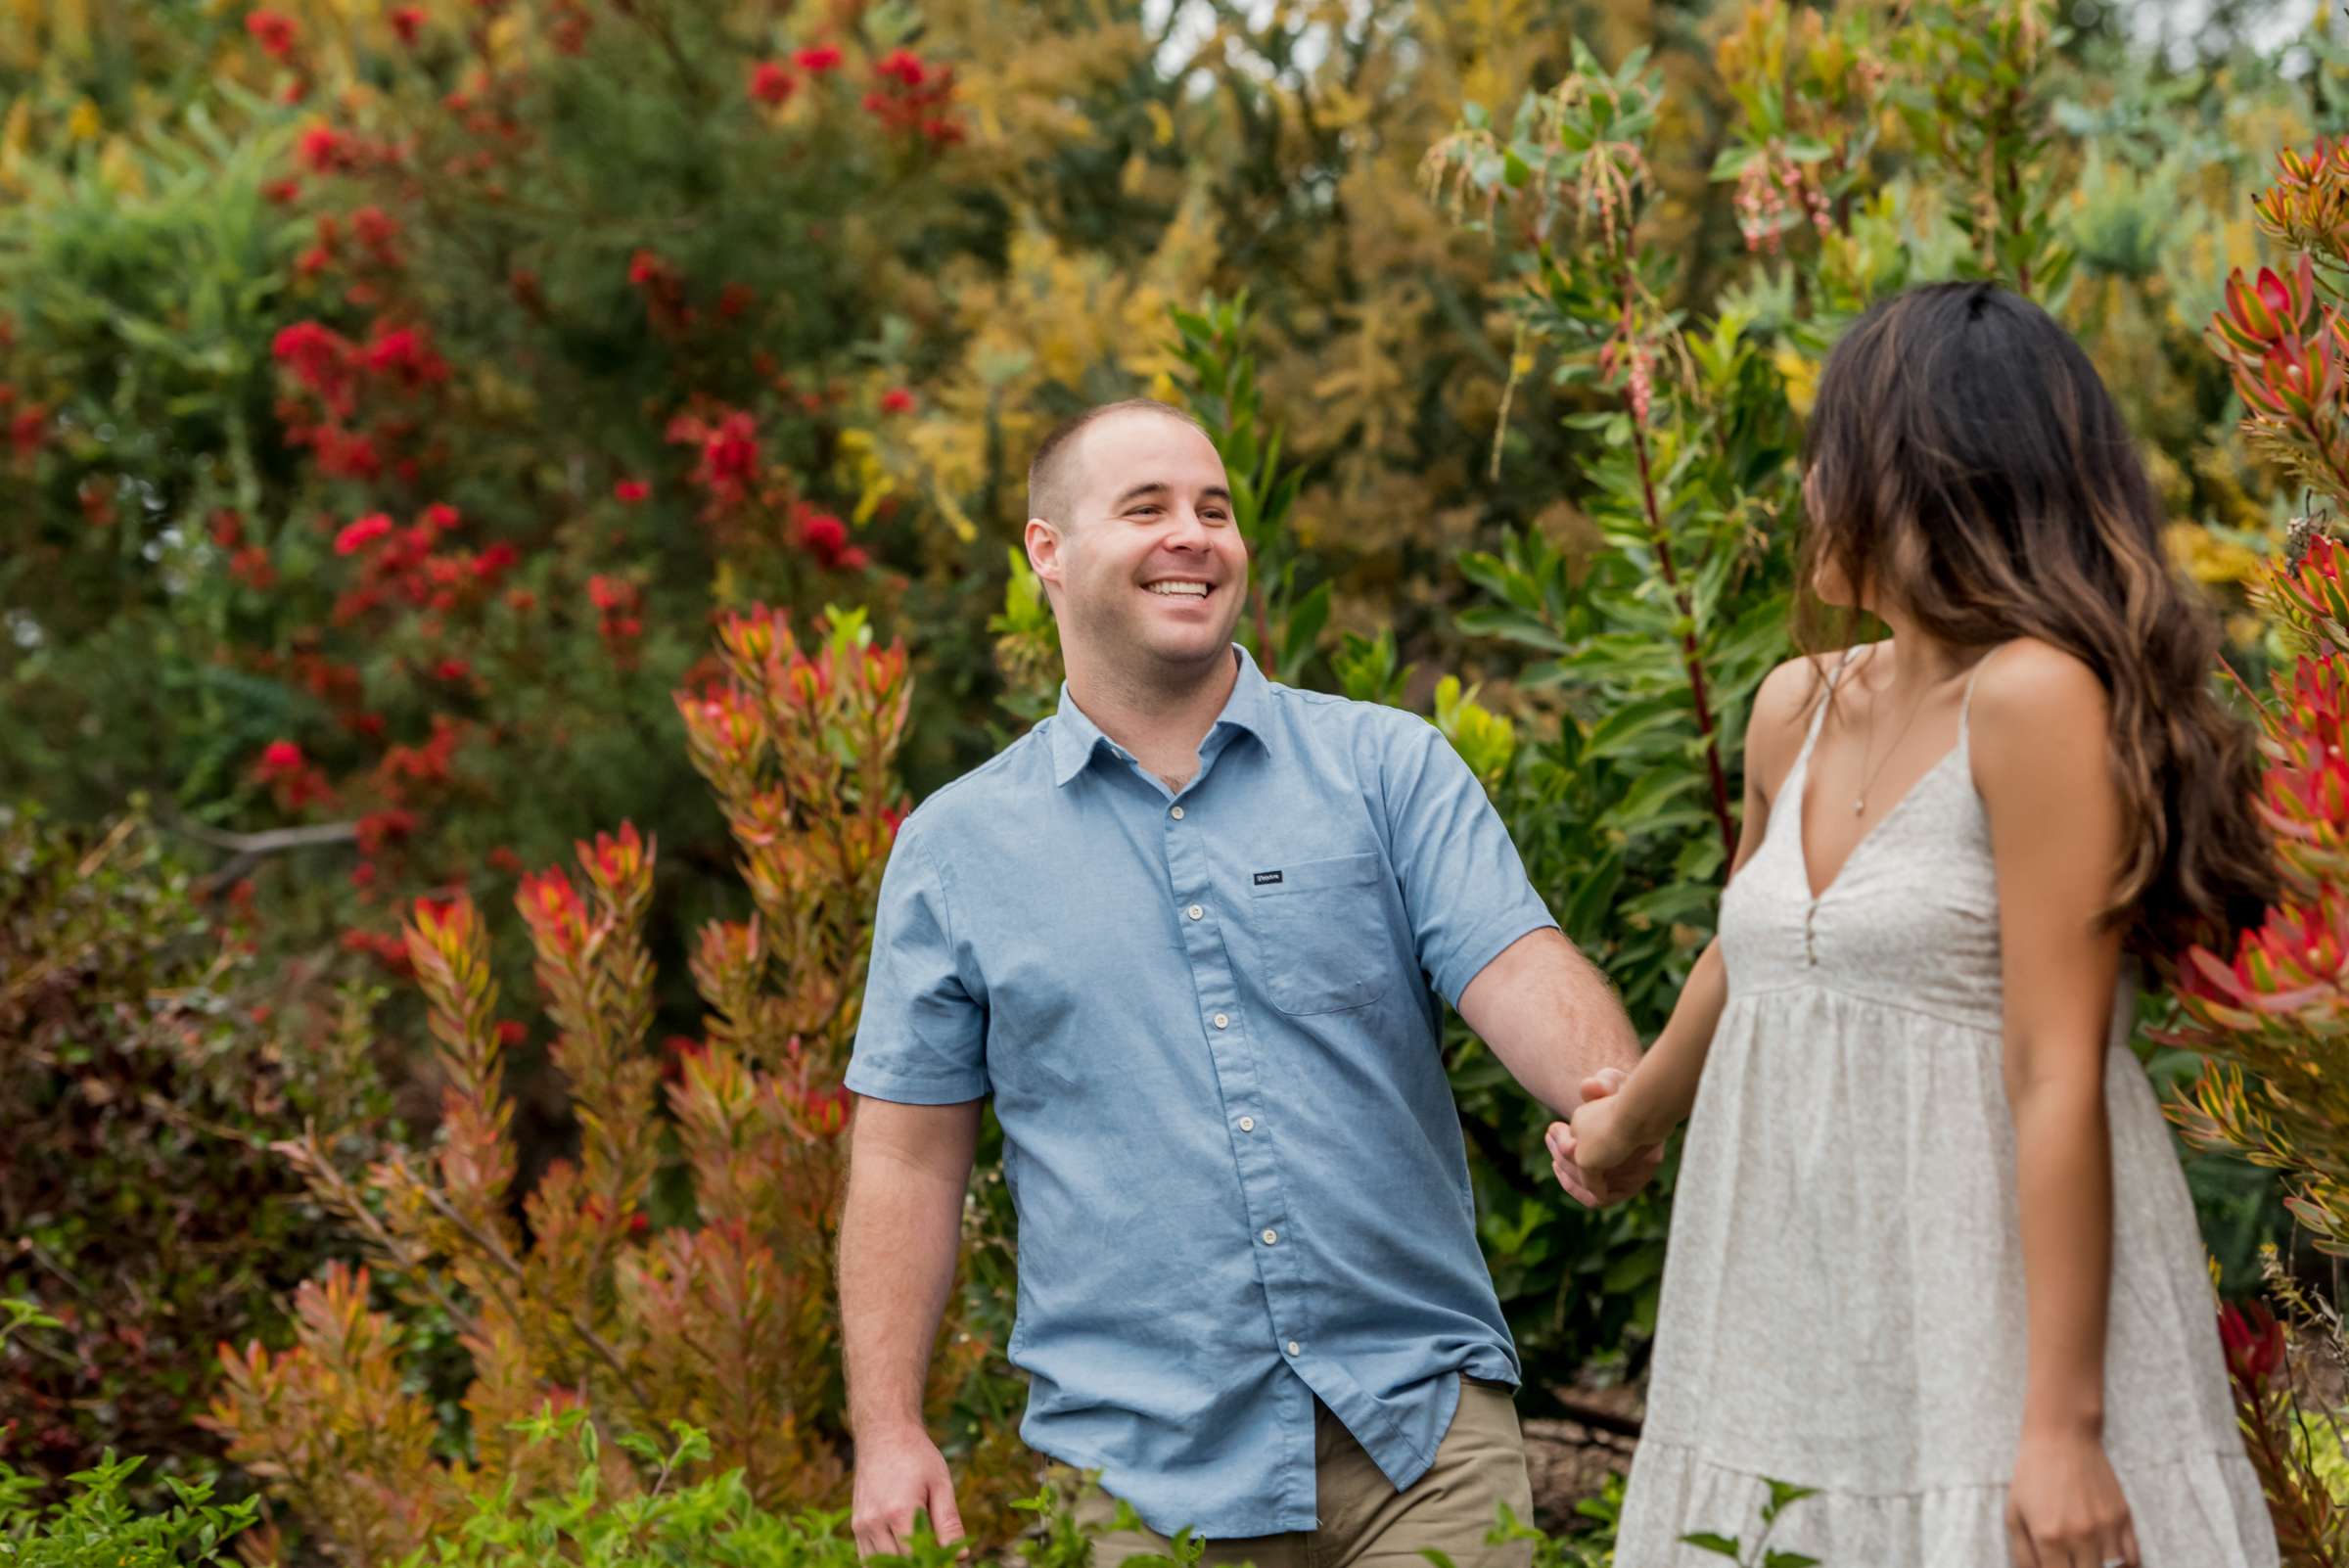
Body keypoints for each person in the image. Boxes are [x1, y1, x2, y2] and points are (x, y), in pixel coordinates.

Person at [837, 398, 1653, 1568]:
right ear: (1048, 554)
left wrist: (1604, 1095)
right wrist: (889, 1428)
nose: (1195, 534)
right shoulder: (956, 850)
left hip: (1419, 1438)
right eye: (1148, 508)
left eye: (1214, 509)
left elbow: (1516, 961)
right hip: (1136, 1483)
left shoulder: (1386, 767)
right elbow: (906, 1154)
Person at [1559, 281, 2281, 1568]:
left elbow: (2057, 1066)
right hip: (1803, 1305)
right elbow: (1755, 949)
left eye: (1836, 454)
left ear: (1936, 475)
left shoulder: (2035, 699)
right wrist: (1629, 1123)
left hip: (1995, 1320)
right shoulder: (1797, 703)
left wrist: (2061, 1427)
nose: (1810, 488)